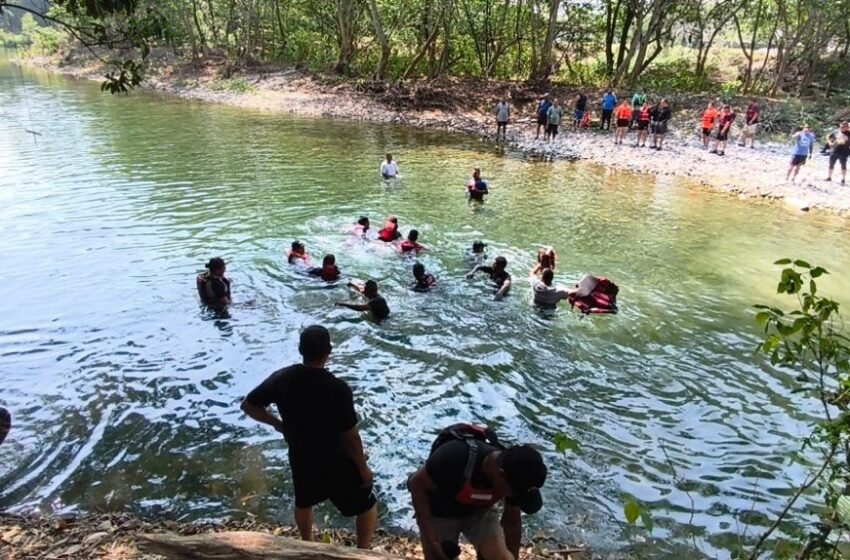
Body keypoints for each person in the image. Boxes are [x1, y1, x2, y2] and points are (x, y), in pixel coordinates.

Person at [241, 325, 378, 548]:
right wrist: (363, 468)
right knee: (366, 504)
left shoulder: (282, 378)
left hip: (301, 454)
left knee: (304, 502)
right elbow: (351, 438)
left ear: (300, 350)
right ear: (329, 351)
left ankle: (307, 544)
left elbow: (249, 406)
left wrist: (279, 425)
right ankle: (363, 550)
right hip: (335, 457)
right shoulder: (338, 388)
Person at [407, 423, 547, 560]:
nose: (514, 497)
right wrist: (432, 541)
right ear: (501, 475)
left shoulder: (517, 479)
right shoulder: (454, 455)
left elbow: (512, 522)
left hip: (481, 511)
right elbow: (416, 484)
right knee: (439, 555)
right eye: (514, 493)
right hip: (441, 511)